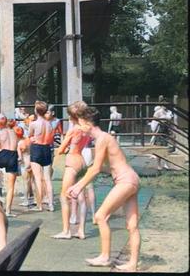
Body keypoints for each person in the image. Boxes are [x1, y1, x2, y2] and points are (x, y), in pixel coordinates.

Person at [67, 101, 141, 272]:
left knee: (100, 216)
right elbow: (107, 166)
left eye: (80, 123)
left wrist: (78, 186)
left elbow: (96, 169)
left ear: (86, 123)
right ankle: (132, 264)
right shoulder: (105, 138)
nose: (79, 127)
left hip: (126, 180)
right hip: (131, 179)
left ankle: (105, 257)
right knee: (132, 225)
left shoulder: (102, 138)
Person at [52, 120, 92, 240]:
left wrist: (65, 148)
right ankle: (81, 230)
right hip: (82, 161)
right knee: (81, 196)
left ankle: (66, 231)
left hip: (72, 161)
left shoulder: (74, 130)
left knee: (64, 197)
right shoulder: (87, 128)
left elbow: (60, 150)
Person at [0, 116, 19, 217]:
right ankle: (8, 211)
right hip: (13, 156)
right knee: (11, 187)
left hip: (3, 155)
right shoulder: (14, 132)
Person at [28, 101, 54, 211]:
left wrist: (32, 138)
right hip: (46, 148)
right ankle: (51, 204)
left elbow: (29, 136)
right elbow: (50, 138)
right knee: (47, 179)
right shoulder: (49, 124)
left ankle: (39, 205)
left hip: (37, 148)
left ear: (36, 110)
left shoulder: (33, 124)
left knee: (38, 178)